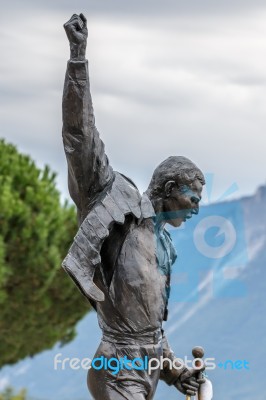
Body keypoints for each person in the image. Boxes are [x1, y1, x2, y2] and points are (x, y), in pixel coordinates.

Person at [62, 13, 206, 400]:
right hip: (116, 371)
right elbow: (81, 136)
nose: (195, 209)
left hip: (147, 373)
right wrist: (78, 58)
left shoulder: (164, 244)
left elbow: (149, 329)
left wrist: (175, 373)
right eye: (192, 198)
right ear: (171, 187)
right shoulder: (114, 203)